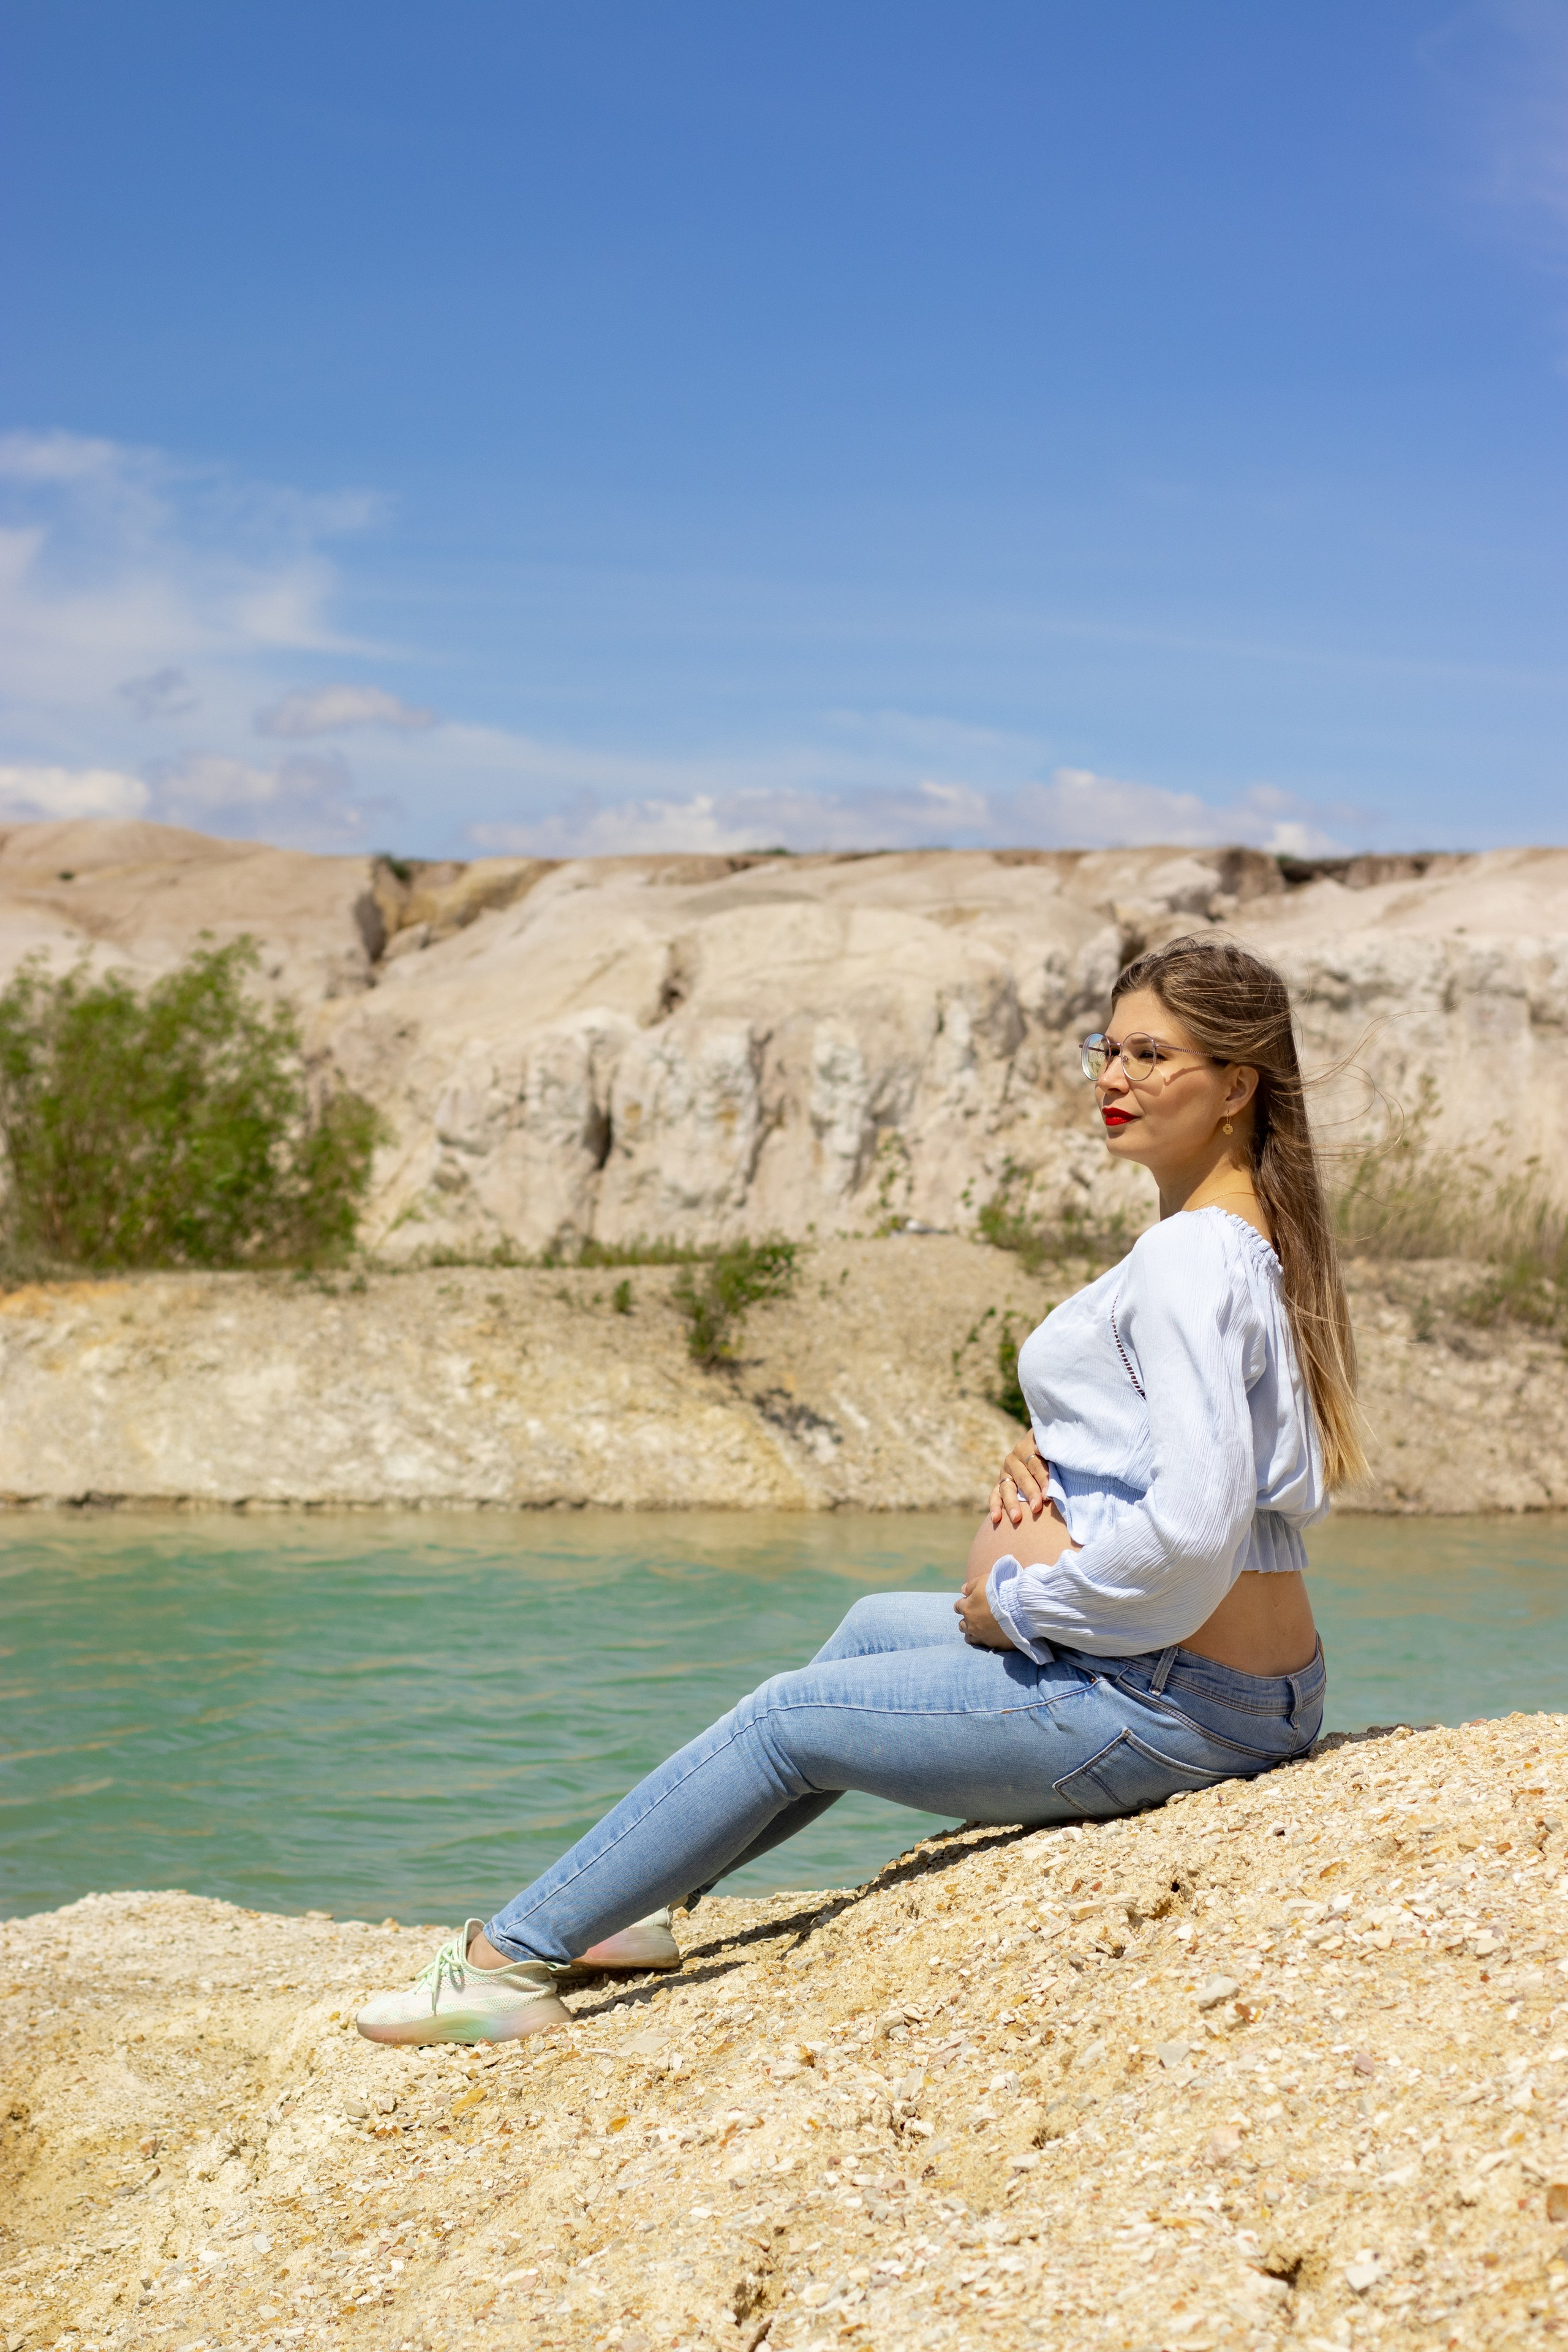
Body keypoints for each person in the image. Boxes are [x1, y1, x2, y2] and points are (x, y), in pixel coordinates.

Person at [357, 935, 1363, 2047]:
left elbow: (1196, 1531)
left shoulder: (1187, 1260)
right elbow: (1255, 1470)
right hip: (1244, 1687)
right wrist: (1070, 1447)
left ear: (1236, 1087)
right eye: (1107, 1048)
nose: (1113, 1079)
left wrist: (1019, 1609)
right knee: (866, 1628)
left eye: (1151, 1055)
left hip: (1168, 1703)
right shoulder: (1233, 1246)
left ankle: (508, 1961)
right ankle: (635, 1904)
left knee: (788, 1720)